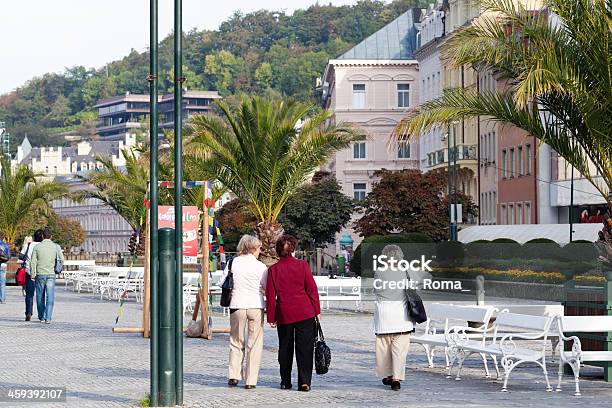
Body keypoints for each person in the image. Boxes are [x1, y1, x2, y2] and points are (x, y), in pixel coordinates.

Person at [266, 234, 321, 392]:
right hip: (305, 312)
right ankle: (304, 382)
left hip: (284, 313)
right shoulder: (302, 265)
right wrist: (317, 310)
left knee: (285, 348)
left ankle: (285, 380)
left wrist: (271, 316)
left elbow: (270, 296)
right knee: (305, 348)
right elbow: (311, 289)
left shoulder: (273, 270)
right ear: (293, 249)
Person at [220, 235, 268, 389]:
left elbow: (222, 282)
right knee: (254, 343)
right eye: (259, 248)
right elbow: (266, 286)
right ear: (254, 248)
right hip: (255, 304)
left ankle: (234, 375)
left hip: (237, 304)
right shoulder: (260, 266)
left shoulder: (232, 263)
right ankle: (250, 380)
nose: (260, 251)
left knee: (236, 341)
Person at [374, 244, 415, 391]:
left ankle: (387, 375)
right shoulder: (405, 270)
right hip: (402, 318)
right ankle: (397, 379)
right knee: (400, 351)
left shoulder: (379, 271)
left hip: (385, 318)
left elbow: (377, 290)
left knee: (384, 349)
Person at [31, 228, 64, 324]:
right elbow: (62, 260)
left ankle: (41, 316)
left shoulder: (37, 247)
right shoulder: (56, 246)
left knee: (40, 296)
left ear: (42, 236)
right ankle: (48, 318)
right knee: (50, 296)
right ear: (51, 236)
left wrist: (33, 273)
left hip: (40, 274)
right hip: (51, 274)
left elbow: (33, 262)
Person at [20, 230, 43, 321]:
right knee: (41, 294)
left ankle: (28, 313)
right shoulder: (42, 246)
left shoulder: (28, 245)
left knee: (29, 294)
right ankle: (42, 314)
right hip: (41, 272)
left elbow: (21, 256)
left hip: (29, 272)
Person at [0, 231, 11, 304]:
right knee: (2, 283)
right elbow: (9, 256)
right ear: (3, 238)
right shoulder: (5, 245)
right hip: (3, 264)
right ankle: (2, 299)